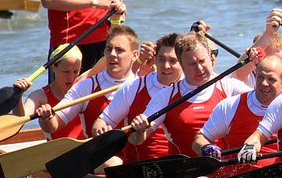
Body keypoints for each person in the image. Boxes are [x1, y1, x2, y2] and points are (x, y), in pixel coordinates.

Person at [128, 32, 253, 158]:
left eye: (202, 61)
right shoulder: (166, 96)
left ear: (211, 57)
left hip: (226, 167)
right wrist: (139, 130)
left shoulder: (229, 87)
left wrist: (259, 64)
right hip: (187, 170)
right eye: (192, 64)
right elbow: (135, 140)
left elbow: (264, 101)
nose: (199, 68)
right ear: (182, 65)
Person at [35, 25, 139, 139]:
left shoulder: (143, 84)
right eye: (109, 49)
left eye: (120, 50)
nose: (112, 54)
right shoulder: (85, 87)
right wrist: (46, 118)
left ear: (135, 55)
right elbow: (53, 126)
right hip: (100, 154)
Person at [90, 33, 181, 163]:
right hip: (140, 167)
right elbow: (99, 124)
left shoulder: (191, 88)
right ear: (154, 59)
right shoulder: (132, 87)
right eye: (161, 59)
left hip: (179, 164)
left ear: (183, 61)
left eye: (173, 61)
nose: (166, 66)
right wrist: (102, 131)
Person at [193, 55, 282, 178]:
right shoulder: (231, 105)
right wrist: (205, 147)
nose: (264, 83)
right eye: (260, 77)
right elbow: (199, 139)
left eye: (271, 79)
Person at [12, 43, 85, 141]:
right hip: (57, 151)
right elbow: (19, 121)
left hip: (87, 147)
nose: (71, 77)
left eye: (76, 72)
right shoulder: (40, 96)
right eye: (66, 72)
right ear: (53, 67)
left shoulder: (85, 89)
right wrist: (18, 96)